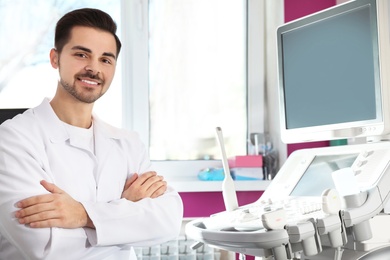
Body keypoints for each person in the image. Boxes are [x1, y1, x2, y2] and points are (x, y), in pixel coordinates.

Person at [0, 8, 183, 260]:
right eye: (81, 54)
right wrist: (124, 215)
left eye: (106, 59)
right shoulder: (13, 138)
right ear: (55, 58)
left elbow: (168, 221)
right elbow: (42, 247)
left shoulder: (128, 144)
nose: (93, 68)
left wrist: (82, 215)